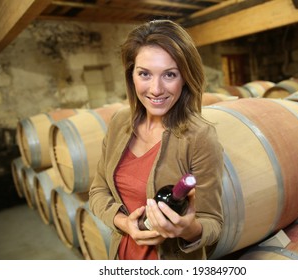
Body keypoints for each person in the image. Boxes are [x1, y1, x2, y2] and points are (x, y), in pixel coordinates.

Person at [89, 19, 224, 260]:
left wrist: (188, 229)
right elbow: (98, 191)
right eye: (145, 74)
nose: (156, 89)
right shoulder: (120, 122)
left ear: (185, 78)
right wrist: (124, 223)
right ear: (132, 75)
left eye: (169, 74)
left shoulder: (199, 136)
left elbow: (213, 223)